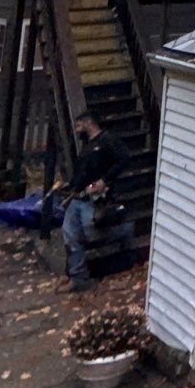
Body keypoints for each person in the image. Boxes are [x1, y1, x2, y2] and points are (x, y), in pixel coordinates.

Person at [61, 111, 130, 292]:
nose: (77, 130)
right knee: (69, 234)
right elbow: (83, 171)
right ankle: (78, 277)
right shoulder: (87, 146)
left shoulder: (107, 140)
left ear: (89, 122)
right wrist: (72, 186)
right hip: (79, 196)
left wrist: (104, 181)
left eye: (79, 125)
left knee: (92, 233)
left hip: (96, 197)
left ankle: (126, 231)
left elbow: (124, 159)